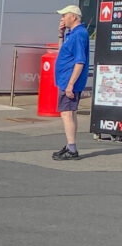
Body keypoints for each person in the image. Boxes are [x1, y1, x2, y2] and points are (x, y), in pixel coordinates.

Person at [51, 5, 89, 161]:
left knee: (67, 113)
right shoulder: (71, 34)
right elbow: (63, 53)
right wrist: (60, 35)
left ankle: (72, 149)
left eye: (64, 15)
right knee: (70, 113)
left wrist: (71, 84)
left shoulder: (79, 35)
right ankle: (69, 146)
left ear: (73, 17)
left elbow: (80, 61)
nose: (62, 18)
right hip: (65, 80)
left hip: (69, 81)